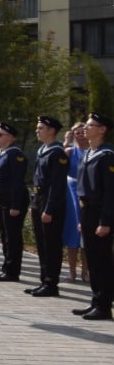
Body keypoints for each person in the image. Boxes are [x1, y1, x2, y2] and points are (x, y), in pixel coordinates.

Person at [75, 111, 114, 320]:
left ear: (102, 129)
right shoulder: (88, 153)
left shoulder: (107, 156)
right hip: (87, 212)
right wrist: (83, 220)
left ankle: (104, 304)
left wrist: (105, 221)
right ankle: (96, 300)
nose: (85, 128)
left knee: (102, 261)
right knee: (92, 259)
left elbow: (110, 193)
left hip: (100, 213)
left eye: (90, 125)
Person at [27, 115, 69, 297]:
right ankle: (44, 279)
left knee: (51, 244)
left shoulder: (57, 153)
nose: (37, 131)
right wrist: (34, 204)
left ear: (51, 130)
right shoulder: (43, 150)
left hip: (51, 201)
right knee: (42, 244)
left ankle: (52, 283)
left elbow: (57, 185)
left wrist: (49, 209)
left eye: (41, 128)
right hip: (39, 199)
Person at [0, 122, 27, 282]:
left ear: (10, 137)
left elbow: (17, 182)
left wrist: (15, 205)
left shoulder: (15, 154)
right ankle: (6, 267)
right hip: (1, 199)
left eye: (0, 135)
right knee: (5, 236)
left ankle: (13, 271)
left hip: (12, 200)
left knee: (12, 237)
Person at [65, 123, 87, 283]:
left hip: (86, 192)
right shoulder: (70, 152)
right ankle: (71, 271)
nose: (79, 135)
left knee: (86, 235)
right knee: (73, 234)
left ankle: (85, 271)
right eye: (76, 132)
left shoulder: (93, 151)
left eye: (81, 132)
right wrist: (66, 142)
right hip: (71, 191)